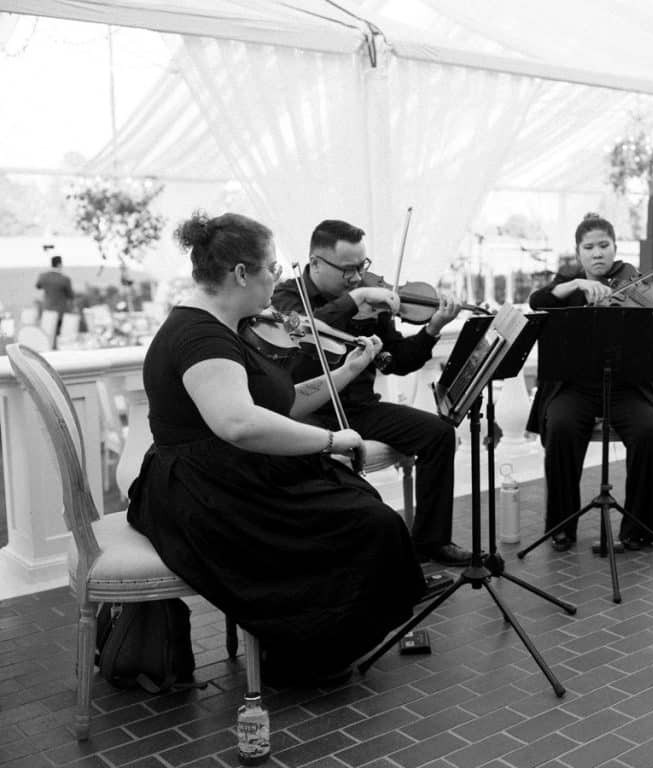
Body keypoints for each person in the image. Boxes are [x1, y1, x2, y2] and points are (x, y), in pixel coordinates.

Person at [127, 211, 425, 684]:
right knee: (368, 522)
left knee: (358, 504)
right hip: (204, 494)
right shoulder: (201, 338)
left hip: (224, 474)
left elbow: (282, 404)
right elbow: (239, 424)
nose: (278, 280)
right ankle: (303, 649)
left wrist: (346, 370)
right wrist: (332, 439)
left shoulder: (224, 326)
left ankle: (309, 642)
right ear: (241, 273)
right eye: (273, 269)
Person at [273, 220, 471, 567]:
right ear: (315, 263)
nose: (356, 277)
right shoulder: (288, 296)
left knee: (439, 434)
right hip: (308, 412)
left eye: (361, 267)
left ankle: (430, 542)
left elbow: (396, 360)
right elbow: (300, 331)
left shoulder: (372, 300)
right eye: (347, 270)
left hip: (359, 408)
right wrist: (356, 298)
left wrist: (432, 329)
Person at [526, 213, 653, 551]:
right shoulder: (567, 286)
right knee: (560, 426)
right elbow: (537, 302)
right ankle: (562, 525)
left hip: (626, 387)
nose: (597, 253)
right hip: (576, 388)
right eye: (588, 247)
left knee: (648, 430)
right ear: (579, 255)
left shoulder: (634, 285)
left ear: (615, 248)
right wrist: (575, 286)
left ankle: (638, 529)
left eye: (604, 245)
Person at [36, 249, 74, 341]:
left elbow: (38, 286)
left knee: (47, 333)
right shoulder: (65, 279)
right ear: (60, 264)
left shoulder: (43, 276)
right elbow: (71, 295)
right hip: (60, 310)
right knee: (58, 334)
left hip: (47, 308)